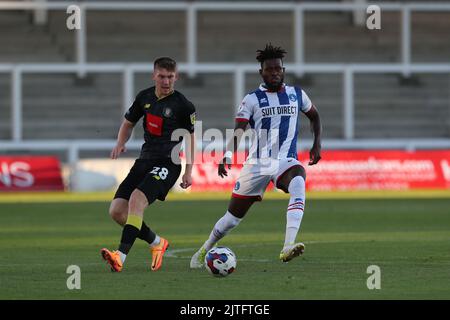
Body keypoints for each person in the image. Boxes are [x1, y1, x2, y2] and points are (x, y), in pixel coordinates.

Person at [190, 44, 321, 268]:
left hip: (285, 161)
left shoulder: (297, 94)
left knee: (298, 181)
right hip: (258, 164)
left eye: (278, 69)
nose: (274, 73)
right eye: (269, 70)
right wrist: (227, 154)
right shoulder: (251, 99)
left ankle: (287, 246)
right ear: (261, 72)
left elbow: (315, 117)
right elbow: (239, 128)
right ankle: (204, 250)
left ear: (283, 70)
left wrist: (317, 144)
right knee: (231, 219)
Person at [101, 57, 196, 272]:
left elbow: (191, 139)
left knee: (136, 200)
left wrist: (188, 172)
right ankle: (157, 243)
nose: (166, 81)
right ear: (154, 75)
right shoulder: (144, 97)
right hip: (144, 161)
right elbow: (128, 123)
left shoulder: (183, 105)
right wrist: (120, 143)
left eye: (170, 77)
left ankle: (120, 257)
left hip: (168, 164)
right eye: (162, 76)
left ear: (176, 77)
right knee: (117, 211)